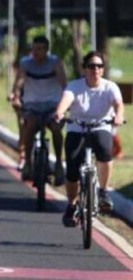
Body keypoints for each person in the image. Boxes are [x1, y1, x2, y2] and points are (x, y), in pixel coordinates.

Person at [53, 51, 124, 227]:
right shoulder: (74, 86)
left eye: (99, 66)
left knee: (105, 150)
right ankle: (72, 204)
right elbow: (65, 101)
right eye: (92, 66)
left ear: (103, 69)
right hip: (77, 127)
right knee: (72, 169)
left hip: (101, 126)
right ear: (84, 69)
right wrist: (60, 113)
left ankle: (103, 192)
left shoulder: (110, 87)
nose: (96, 70)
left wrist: (118, 117)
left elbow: (118, 104)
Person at [11, 36, 67, 185]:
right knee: (29, 126)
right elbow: (18, 83)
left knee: (56, 129)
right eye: (34, 49)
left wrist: (65, 103)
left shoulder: (55, 63)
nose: (36, 52)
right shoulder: (25, 63)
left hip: (52, 105)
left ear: (47, 50)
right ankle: (28, 162)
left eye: (40, 49)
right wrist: (16, 97)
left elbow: (63, 84)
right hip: (32, 105)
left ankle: (59, 164)